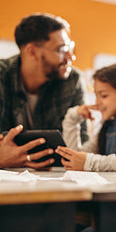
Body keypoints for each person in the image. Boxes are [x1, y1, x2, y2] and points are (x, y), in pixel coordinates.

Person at [0, 13, 87, 168]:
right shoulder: (2, 75)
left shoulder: (73, 80)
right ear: (32, 51)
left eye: (70, 48)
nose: (71, 57)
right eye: (62, 49)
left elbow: (81, 142)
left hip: (55, 176)